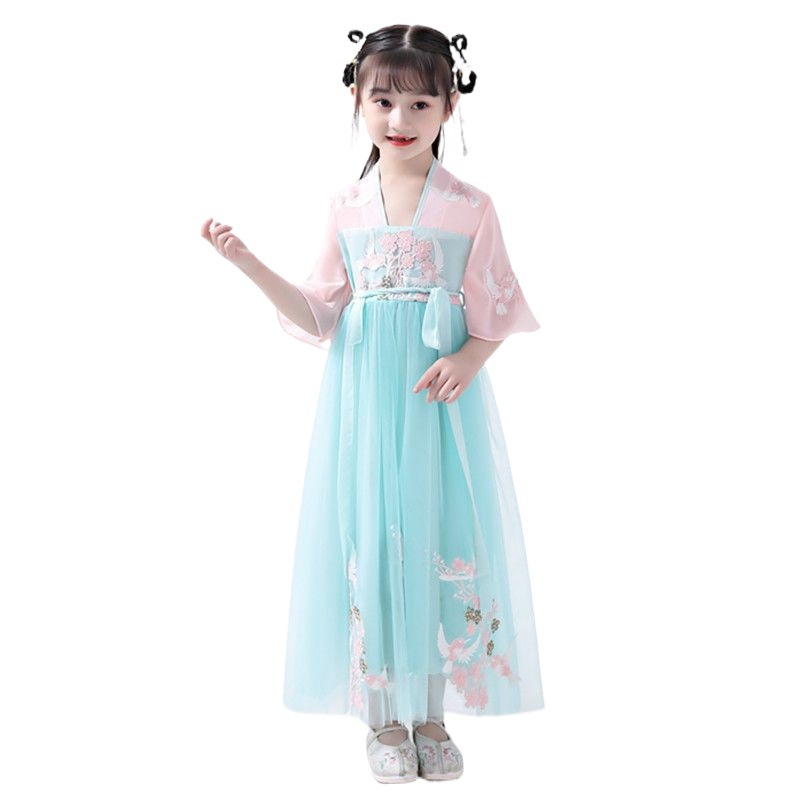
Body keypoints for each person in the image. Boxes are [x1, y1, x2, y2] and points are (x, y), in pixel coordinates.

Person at [200, 23, 545, 784]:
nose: (400, 119)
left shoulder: (470, 206)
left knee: (438, 532)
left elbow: (497, 306)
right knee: (372, 537)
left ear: (450, 107)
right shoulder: (347, 206)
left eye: (420, 103)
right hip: (362, 403)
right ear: (356, 100)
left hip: (437, 406)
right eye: (383, 100)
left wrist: (468, 357)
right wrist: (249, 264)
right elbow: (319, 312)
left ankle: (433, 714)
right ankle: (383, 715)